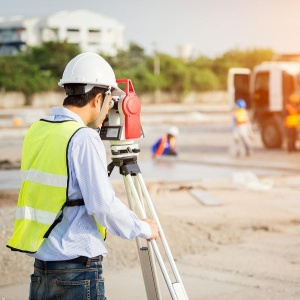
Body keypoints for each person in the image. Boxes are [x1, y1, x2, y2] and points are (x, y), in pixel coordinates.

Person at [6, 52, 159, 300]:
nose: (110, 108)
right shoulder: (83, 138)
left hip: (43, 269)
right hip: (76, 272)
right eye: (109, 101)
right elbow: (102, 205)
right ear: (98, 98)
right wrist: (142, 228)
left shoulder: (38, 128)